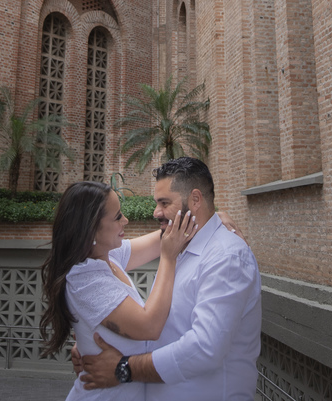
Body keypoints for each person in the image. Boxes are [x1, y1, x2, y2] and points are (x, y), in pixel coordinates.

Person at [79, 157, 262, 401]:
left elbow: (205, 349)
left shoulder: (227, 257)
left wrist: (124, 368)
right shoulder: (177, 245)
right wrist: (89, 345)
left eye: (164, 203)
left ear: (195, 200)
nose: (156, 212)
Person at [40, 180, 198, 400]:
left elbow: (166, 238)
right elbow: (150, 326)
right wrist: (168, 258)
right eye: (117, 217)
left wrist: (212, 220)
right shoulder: (86, 278)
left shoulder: (108, 256)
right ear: (91, 229)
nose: (126, 220)